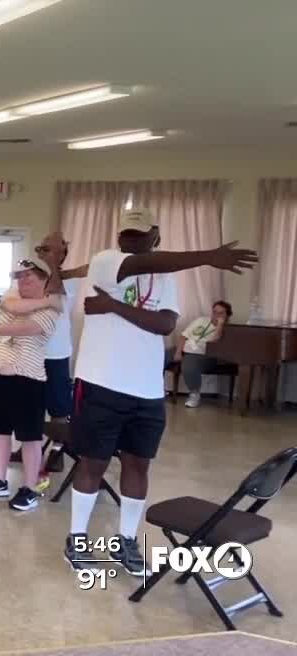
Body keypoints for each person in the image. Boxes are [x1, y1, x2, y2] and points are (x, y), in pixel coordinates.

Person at [64, 208, 257, 576]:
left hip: (146, 390)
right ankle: (76, 537)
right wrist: (208, 256)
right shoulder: (106, 260)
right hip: (100, 380)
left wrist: (112, 306)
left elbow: (164, 324)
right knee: (93, 462)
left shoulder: (167, 277)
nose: (130, 241)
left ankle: (125, 540)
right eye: (126, 235)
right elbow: (141, 284)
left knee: (139, 465)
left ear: (156, 235)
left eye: (139, 235)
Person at [0, 257, 61, 512]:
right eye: (19, 277)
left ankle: (29, 487)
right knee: (0, 431)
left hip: (28, 380)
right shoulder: (18, 297)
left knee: (30, 437)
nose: (22, 281)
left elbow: (26, 328)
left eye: (29, 276)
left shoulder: (54, 308)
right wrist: (42, 301)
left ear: (44, 279)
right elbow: (12, 307)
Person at [3, 232, 89, 490]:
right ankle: (29, 447)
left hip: (56, 353)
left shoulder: (69, 281)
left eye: (57, 249)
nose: (51, 252)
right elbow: (16, 299)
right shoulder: (27, 276)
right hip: (29, 350)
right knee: (29, 403)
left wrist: (53, 266)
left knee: (59, 407)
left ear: (64, 252)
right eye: (46, 248)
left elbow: (55, 296)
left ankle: (58, 452)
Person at [166, 300, 233, 408]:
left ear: (227, 315)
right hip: (185, 348)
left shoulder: (228, 329)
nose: (216, 315)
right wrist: (178, 352)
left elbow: (215, 341)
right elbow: (183, 336)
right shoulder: (201, 320)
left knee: (188, 364)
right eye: (215, 312)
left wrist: (220, 325)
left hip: (203, 355)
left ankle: (194, 394)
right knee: (161, 356)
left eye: (221, 313)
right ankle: (155, 388)